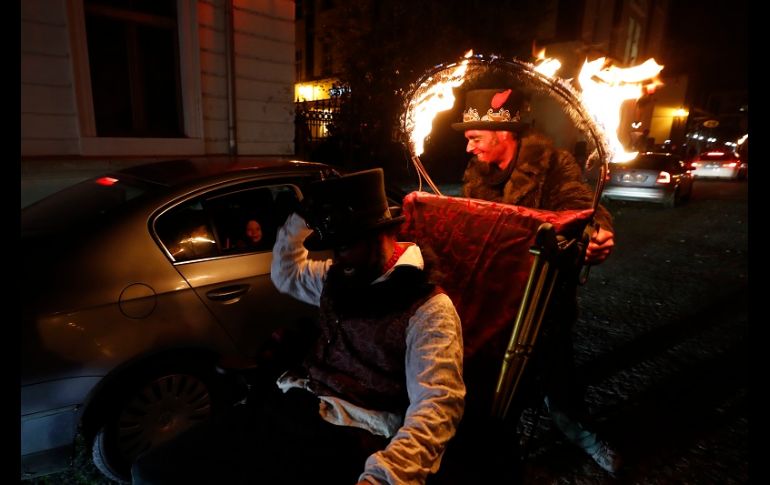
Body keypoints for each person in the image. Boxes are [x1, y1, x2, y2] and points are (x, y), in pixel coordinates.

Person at [131, 168, 465, 485]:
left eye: (347, 245)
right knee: (152, 470)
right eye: (335, 246)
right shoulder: (341, 277)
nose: (338, 257)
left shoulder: (429, 309)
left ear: (385, 233)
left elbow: (436, 405)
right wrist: (302, 218)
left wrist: (388, 474)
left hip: (351, 434)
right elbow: (287, 273)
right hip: (293, 406)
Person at [450, 88, 620, 473]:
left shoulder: (553, 164)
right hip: (497, 298)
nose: (469, 149)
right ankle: (496, 450)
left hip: (545, 300)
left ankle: (580, 433)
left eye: (475, 139)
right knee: (496, 385)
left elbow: (582, 206)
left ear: (503, 134)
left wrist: (597, 233)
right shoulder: (476, 176)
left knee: (558, 373)